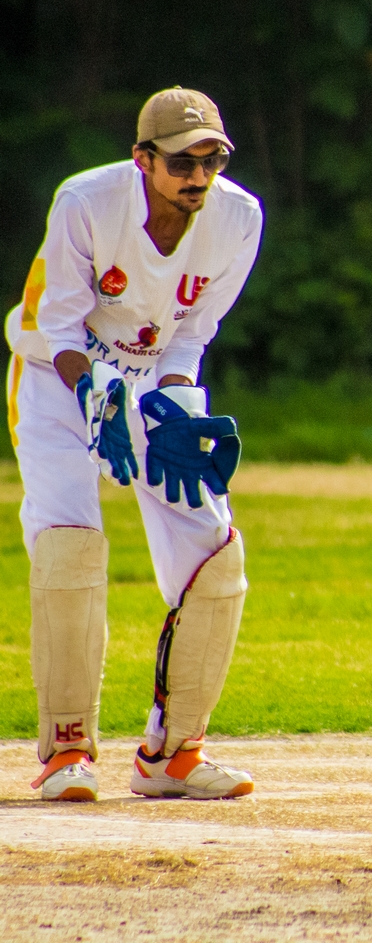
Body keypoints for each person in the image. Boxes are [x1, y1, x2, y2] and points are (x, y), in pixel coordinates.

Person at [4, 87, 262, 801]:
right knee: (69, 542)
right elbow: (57, 326)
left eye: (212, 161)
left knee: (215, 550)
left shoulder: (239, 218)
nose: (199, 177)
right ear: (143, 159)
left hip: (149, 384)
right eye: (182, 162)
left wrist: (175, 409)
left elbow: (191, 335)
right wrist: (96, 393)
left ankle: (173, 754)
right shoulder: (87, 202)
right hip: (57, 379)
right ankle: (67, 750)